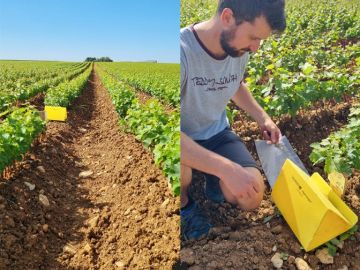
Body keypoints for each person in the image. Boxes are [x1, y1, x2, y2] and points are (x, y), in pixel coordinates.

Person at [180, 0, 286, 240]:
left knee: (252, 195)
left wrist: (263, 118)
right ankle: (185, 207)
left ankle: (211, 177)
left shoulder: (237, 49)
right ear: (227, 17)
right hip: (180, 139)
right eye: (253, 37)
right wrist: (225, 168)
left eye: (261, 40)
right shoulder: (181, 52)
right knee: (180, 173)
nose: (256, 48)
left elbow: (236, 85)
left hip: (216, 134)